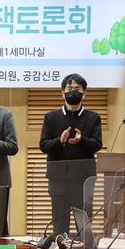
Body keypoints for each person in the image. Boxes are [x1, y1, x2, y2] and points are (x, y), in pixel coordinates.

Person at [40, 73, 102, 235]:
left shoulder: (93, 117)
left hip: (83, 179)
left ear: (84, 93)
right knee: (59, 226)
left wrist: (82, 140)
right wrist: (60, 141)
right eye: (69, 89)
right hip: (58, 178)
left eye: (77, 89)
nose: (73, 92)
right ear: (62, 92)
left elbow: (97, 144)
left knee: (84, 226)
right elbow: (44, 145)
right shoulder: (51, 117)